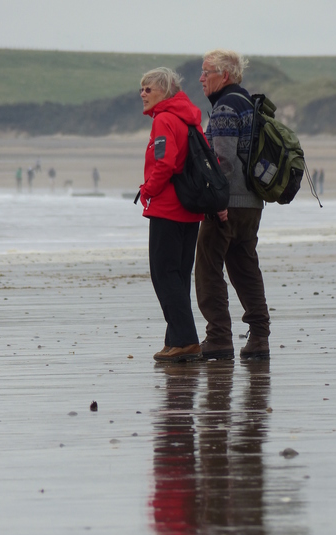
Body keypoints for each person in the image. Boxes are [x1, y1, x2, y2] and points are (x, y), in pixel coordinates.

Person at [195, 49, 270, 360]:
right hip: (253, 203)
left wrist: (217, 200)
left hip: (228, 203)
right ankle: (260, 338)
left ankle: (219, 337)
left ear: (223, 76)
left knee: (208, 268)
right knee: (245, 268)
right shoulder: (250, 104)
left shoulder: (225, 107)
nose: (201, 78)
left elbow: (223, 161)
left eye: (206, 72)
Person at [138, 67, 205, 363]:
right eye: (141, 88)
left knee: (164, 275)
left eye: (148, 88)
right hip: (190, 209)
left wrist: (147, 189)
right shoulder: (188, 117)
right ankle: (175, 339)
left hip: (169, 208)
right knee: (178, 276)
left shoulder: (165, 119)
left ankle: (187, 340)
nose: (142, 93)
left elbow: (164, 164)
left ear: (164, 91)